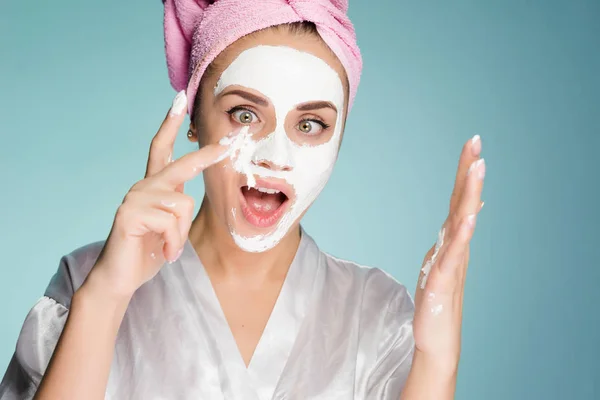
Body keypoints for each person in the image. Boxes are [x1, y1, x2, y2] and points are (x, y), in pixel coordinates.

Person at [0, 0, 485, 399]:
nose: (276, 156)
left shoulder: (375, 313)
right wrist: (105, 299)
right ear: (193, 118)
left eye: (310, 124)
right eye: (246, 115)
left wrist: (437, 362)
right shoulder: (88, 281)